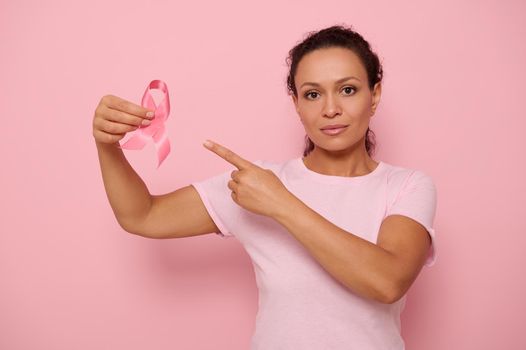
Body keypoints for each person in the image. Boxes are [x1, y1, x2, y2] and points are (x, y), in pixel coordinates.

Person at [93, 24, 437, 350]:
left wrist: (281, 203)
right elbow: (143, 216)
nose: (331, 109)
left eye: (348, 90)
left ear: (374, 95)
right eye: (313, 94)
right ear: (297, 104)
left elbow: (387, 281)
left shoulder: (406, 185)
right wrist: (107, 145)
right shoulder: (255, 182)